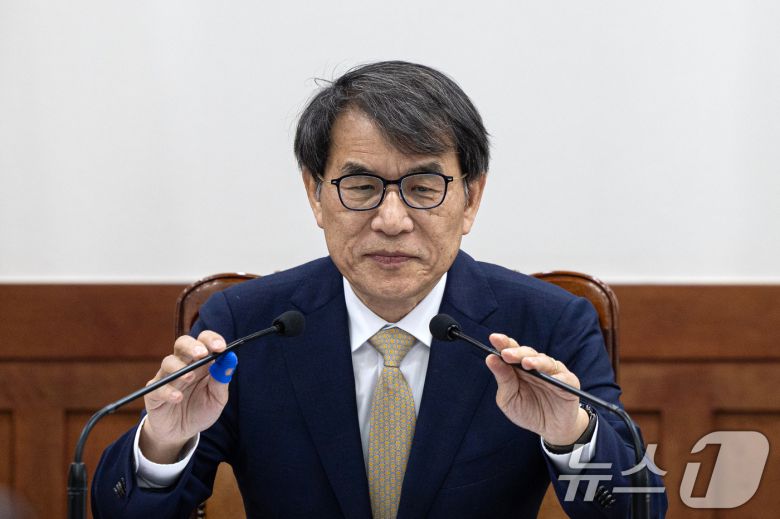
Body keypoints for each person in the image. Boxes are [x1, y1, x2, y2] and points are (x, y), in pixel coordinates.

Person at [92, 61, 667, 518]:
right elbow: (122, 511)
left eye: (424, 186)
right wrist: (162, 444)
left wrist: (571, 435)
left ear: (472, 198)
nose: (392, 220)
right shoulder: (246, 325)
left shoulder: (548, 324)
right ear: (316, 195)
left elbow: (641, 507)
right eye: (362, 186)